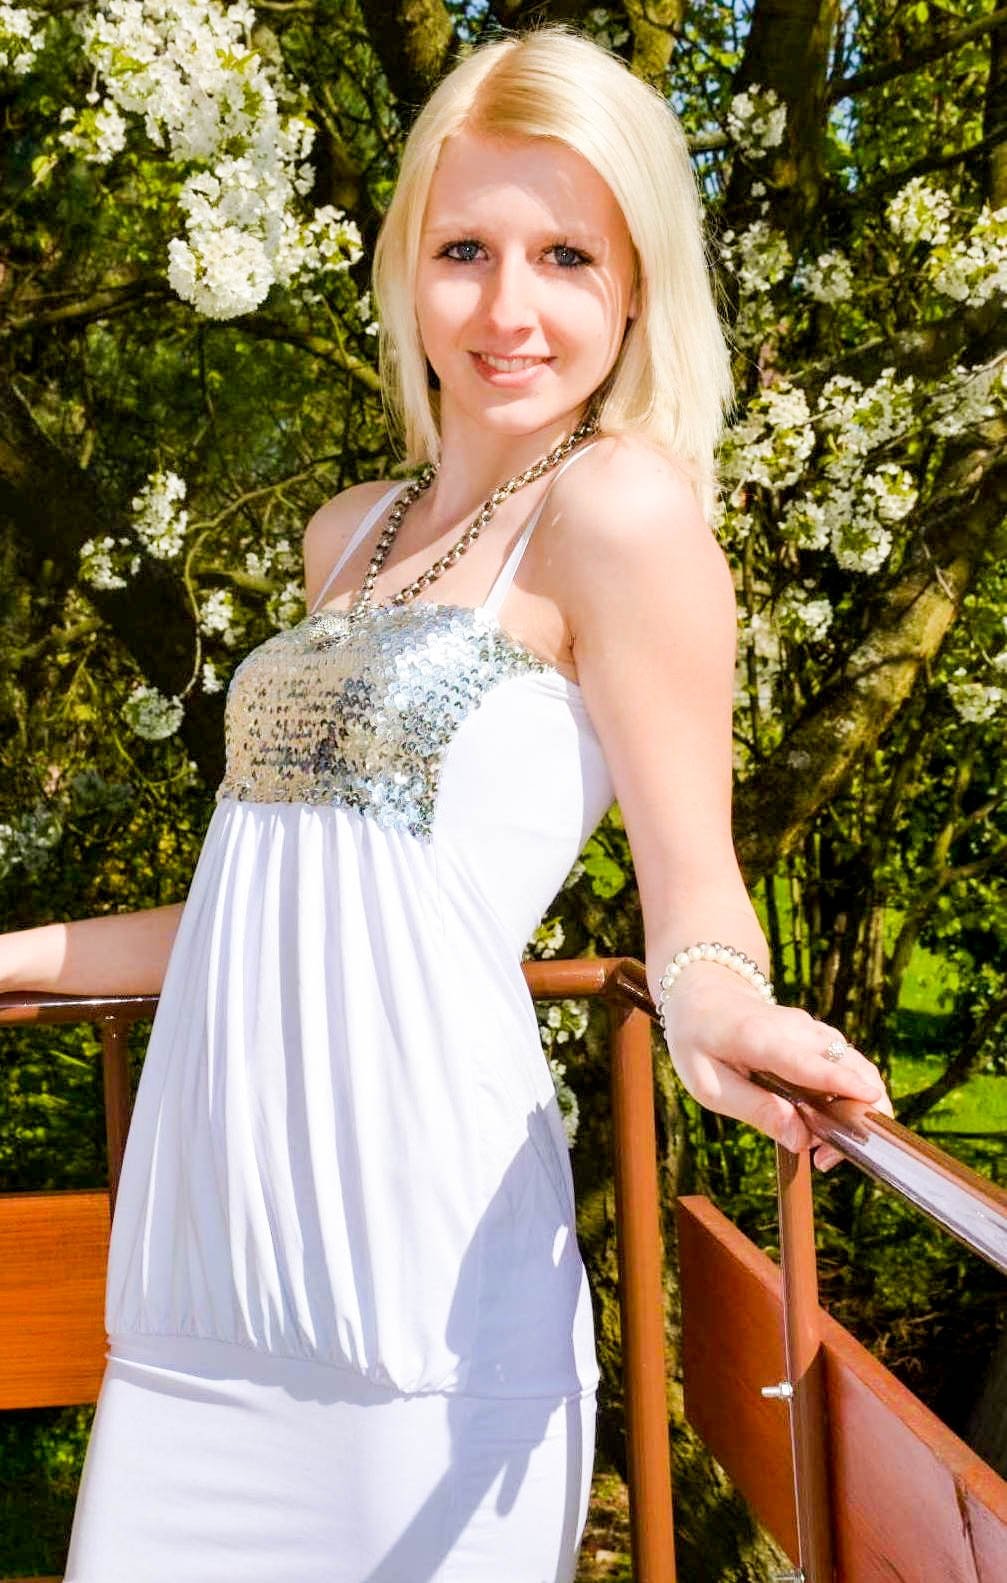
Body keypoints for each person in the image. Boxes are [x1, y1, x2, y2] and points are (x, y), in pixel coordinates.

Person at [2, 24, 892, 1583]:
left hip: (414, 1309)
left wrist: (715, 1009)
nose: (508, 308)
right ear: (407, 263)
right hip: (200, 1294)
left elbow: (694, 881)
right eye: (465, 249)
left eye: (566, 256)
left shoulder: (618, 510)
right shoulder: (349, 533)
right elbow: (267, 908)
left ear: (636, 285)